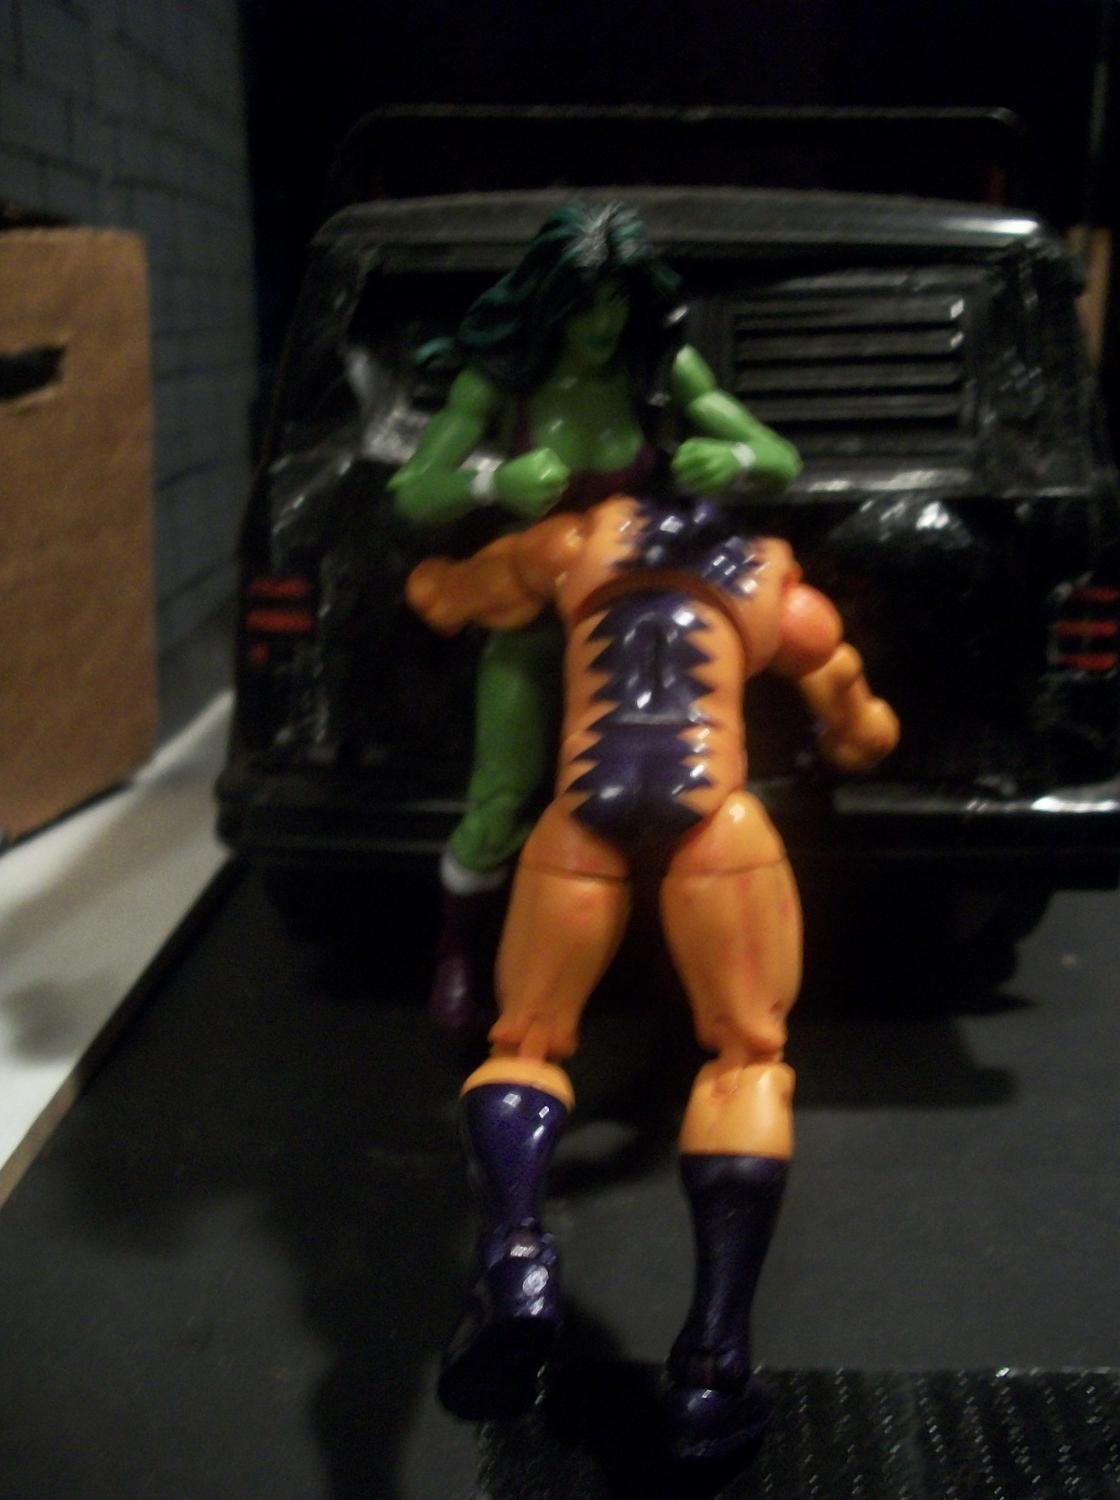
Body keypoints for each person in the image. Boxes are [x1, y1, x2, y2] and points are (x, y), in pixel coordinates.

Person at [407, 494, 898, 1459]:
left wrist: (437, 578)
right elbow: (858, 722)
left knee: (527, 1037)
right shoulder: (776, 591)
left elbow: (452, 596)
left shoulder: (575, 545)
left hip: (584, 806)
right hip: (713, 815)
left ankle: (516, 1256)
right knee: (746, 1058)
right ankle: (712, 1370)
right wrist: (858, 733)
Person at [389, 201, 801, 1031]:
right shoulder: (502, 381)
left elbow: (781, 459)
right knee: (501, 799)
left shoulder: (660, 368)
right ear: (551, 304)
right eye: (585, 304)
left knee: (688, 795)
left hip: (643, 618)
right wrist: (491, 482)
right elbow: (413, 491)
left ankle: (695, 978)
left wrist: (733, 459)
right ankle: (460, 950)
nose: (603, 323)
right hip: (535, 613)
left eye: (615, 301)